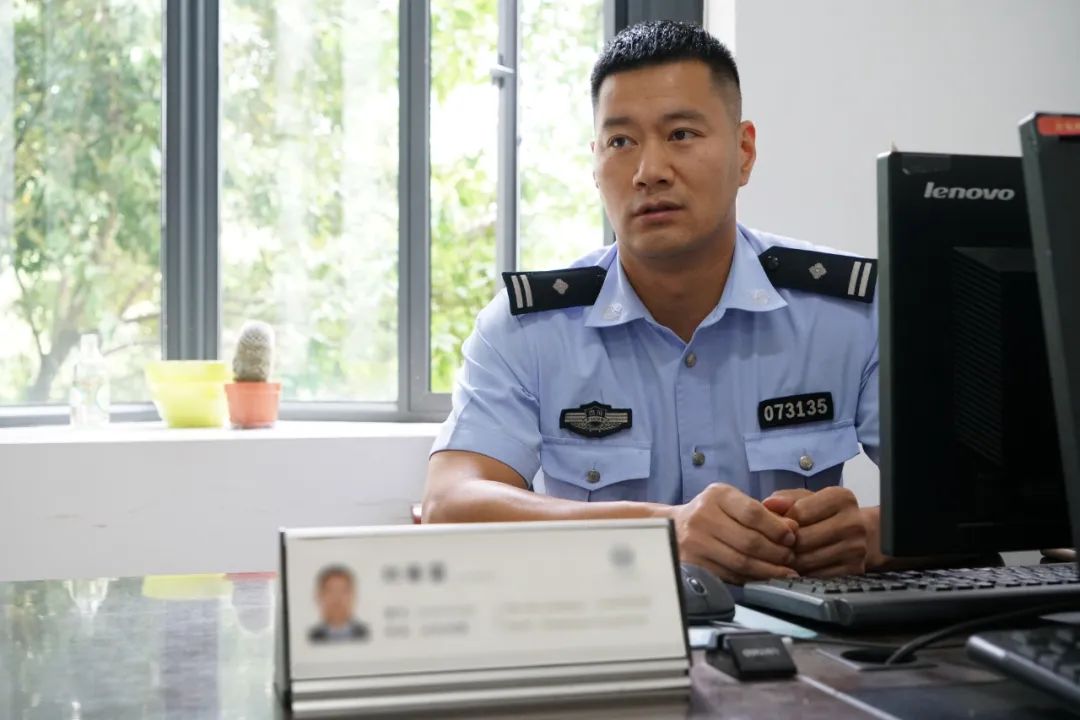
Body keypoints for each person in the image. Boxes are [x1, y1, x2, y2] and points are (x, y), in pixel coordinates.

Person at [424, 20, 884, 585]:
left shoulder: (849, 314)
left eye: (681, 134)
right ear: (595, 164)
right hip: (609, 629)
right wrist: (659, 532)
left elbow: (967, 505)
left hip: (803, 633)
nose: (650, 172)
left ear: (744, 153)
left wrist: (870, 536)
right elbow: (450, 504)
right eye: (621, 142)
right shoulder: (528, 329)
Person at [308, 565, 370, 643]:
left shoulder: (365, 634)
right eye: (330, 591)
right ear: (319, 596)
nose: (337, 598)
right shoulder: (311, 637)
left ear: (353, 596)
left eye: (343, 591)